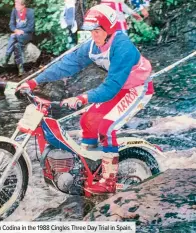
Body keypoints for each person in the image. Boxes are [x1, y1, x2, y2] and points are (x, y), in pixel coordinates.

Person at [16, 4, 153, 194]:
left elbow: (111, 87)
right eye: (91, 31)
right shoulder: (92, 46)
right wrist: (34, 82)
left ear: (108, 29)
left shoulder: (123, 48)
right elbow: (67, 65)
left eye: (97, 31)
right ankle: (89, 167)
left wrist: (82, 97)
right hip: (116, 88)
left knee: (107, 126)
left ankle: (109, 180)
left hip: (136, 89)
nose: (93, 35)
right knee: (87, 121)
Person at [1, 0, 35, 76]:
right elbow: (11, 24)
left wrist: (21, 31)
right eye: (15, 4)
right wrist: (16, 30)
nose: (15, 6)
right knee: (17, 45)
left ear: (23, 6)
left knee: (13, 36)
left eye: (17, 4)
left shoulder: (30, 12)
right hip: (17, 33)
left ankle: (6, 59)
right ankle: (20, 68)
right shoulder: (14, 11)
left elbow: (31, 28)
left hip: (27, 35)